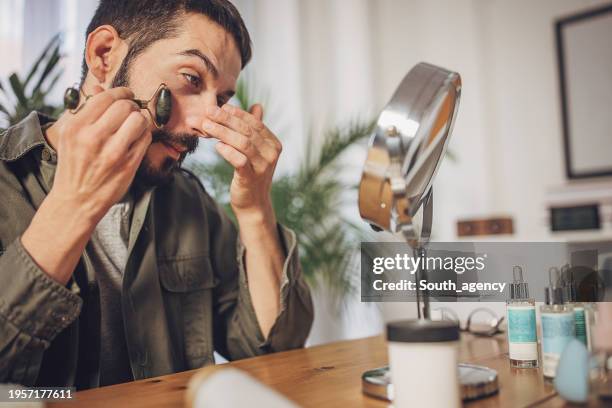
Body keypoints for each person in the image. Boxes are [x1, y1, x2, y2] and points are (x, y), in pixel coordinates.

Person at [0, 0, 313, 389]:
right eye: (191, 79)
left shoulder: (188, 202)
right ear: (103, 56)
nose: (205, 123)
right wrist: (73, 207)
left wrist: (254, 209)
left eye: (221, 99)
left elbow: (274, 351)